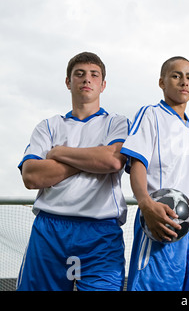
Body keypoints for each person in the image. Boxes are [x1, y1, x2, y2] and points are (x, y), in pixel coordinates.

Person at [17, 52, 129, 291]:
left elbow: (112, 162)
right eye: (79, 74)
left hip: (100, 233)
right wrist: (92, 159)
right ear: (68, 82)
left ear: (103, 85)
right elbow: (32, 176)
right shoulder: (48, 126)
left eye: (93, 75)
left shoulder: (117, 123)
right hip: (50, 230)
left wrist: (58, 153)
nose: (86, 79)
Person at [121, 56, 189, 291]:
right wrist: (146, 204)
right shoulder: (150, 115)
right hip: (159, 221)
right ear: (162, 82)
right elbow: (137, 162)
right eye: (176, 76)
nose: (184, 82)